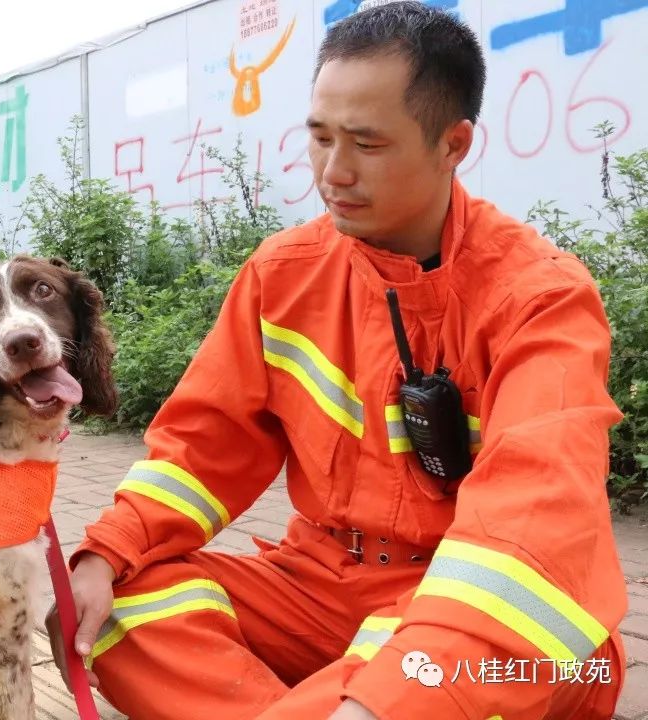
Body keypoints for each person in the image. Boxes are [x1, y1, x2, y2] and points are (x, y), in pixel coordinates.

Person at [45, 2, 630, 719]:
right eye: (319, 137)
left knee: (475, 662)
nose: (332, 171)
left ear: (455, 144)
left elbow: (528, 530)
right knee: (115, 610)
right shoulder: (282, 274)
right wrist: (104, 556)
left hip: (472, 616)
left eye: (367, 144)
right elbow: (200, 451)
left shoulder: (542, 298)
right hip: (320, 587)